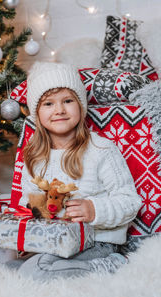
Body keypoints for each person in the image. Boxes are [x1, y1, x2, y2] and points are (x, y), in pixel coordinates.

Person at [9, 62, 142, 280]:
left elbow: (130, 202)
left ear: (80, 105)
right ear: (37, 114)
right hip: (55, 243)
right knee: (12, 269)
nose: (59, 110)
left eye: (68, 101)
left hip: (96, 242)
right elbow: (29, 205)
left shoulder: (101, 149)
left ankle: (113, 265)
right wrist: (33, 234)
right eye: (49, 104)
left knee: (37, 272)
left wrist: (93, 209)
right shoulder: (34, 156)